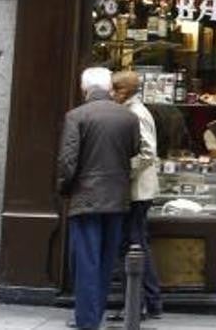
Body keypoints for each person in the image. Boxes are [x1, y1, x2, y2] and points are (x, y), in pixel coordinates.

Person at [57, 67, 141, 330]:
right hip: (116, 197)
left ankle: (87, 320)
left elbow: (68, 161)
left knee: (86, 261)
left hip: (86, 198)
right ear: (109, 88)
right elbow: (134, 150)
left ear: (85, 89)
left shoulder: (76, 116)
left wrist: (64, 188)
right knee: (105, 261)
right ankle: (96, 314)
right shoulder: (128, 117)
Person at [108, 70, 162, 322]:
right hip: (139, 189)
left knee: (132, 245)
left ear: (124, 91)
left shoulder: (135, 113)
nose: (111, 94)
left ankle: (138, 304)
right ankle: (151, 301)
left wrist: (124, 171)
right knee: (138, 243)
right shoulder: (133, 110)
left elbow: (147, 152)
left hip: (137, 190)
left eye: (114, 90)